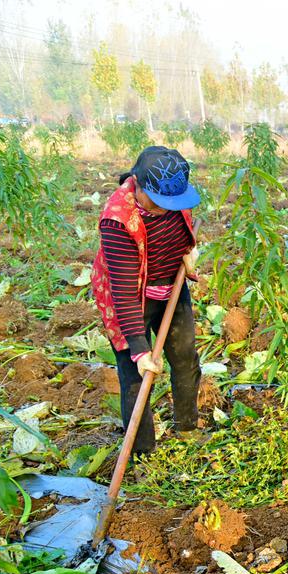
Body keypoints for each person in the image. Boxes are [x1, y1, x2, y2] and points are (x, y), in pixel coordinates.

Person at [91, 146, 202, 454]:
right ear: (139, 186)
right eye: (161, 202)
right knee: (135, 379)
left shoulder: (174, 193)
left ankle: (188, 429)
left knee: (184, 357)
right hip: (130, 302)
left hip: (171, 290)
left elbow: (184, 229)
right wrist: (140, 351)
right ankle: (142, 452)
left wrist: (187, 254)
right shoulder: (117, 221)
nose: (168, 208)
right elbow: (124, 291)